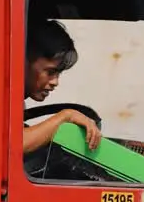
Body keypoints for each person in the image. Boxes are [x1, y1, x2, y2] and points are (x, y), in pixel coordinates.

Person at [22, 19, 102, 154]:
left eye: (58, 73)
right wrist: (66, 116)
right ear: (22, 62)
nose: (55, 82)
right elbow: (16, 144)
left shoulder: (14, 102)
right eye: (50, 72)